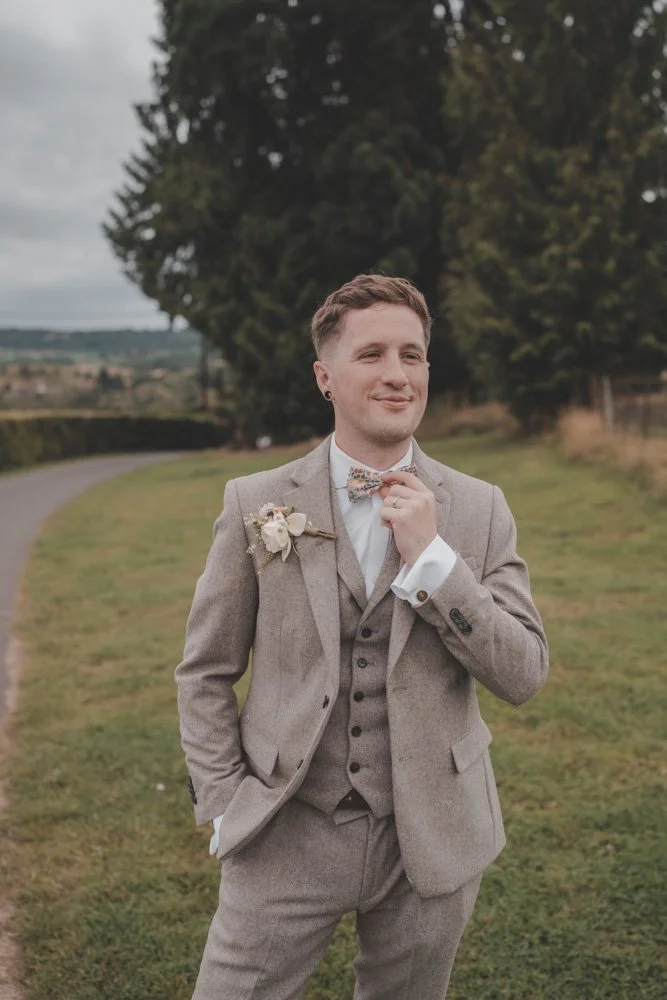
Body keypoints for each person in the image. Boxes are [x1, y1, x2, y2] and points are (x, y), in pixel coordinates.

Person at [175, 273, 549, 1000]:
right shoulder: (256, 502)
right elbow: (205, 671)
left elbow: (524, 673)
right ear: (325, 377)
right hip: (286, 825)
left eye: (412, 355)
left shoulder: (480, 509)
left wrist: (435, 562)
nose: (396, 374)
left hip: (433, 832)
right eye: (371, 354)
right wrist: (223, 801)